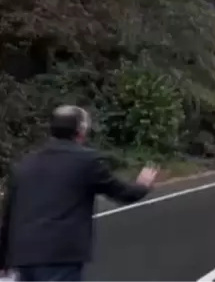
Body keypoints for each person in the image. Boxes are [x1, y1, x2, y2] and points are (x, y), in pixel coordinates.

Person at [0, 105, 160, 282]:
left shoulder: (23, 164)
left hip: (22, 257)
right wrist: (142, 185)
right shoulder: (87, 161)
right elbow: (122, 192)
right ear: (81, 130)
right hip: (59, 256)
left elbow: (8, 217)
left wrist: (2, 261)